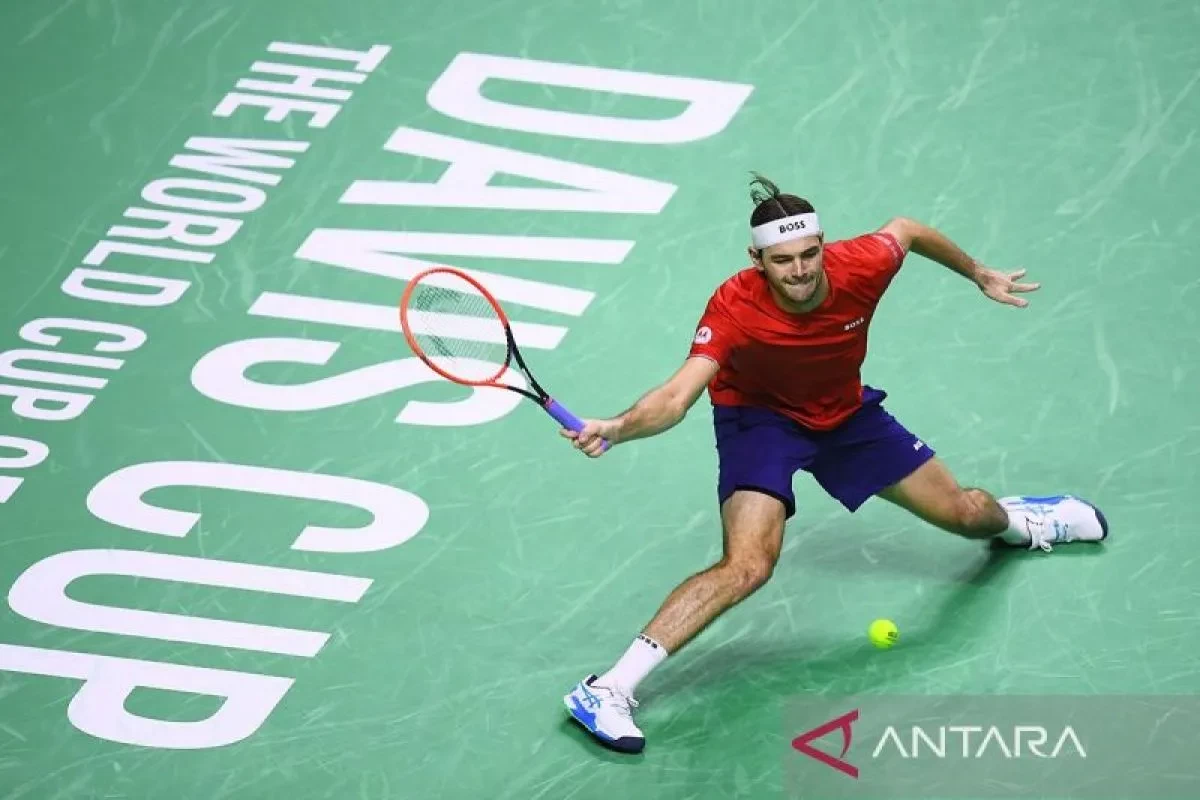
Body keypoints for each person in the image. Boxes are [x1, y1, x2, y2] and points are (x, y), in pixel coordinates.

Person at [559, 174, 1108, 754]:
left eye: (808, 254)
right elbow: (675, 397)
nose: (799, 270)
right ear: (757, 260)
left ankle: (1022, 523)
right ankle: (607, 689)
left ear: (823, 244)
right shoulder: (734, 306)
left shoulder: (863, 264)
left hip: (845, 416)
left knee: (969, 514)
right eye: (782, 260)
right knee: (748, 565)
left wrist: (977, 272)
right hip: (760, 422)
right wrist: (618, 426)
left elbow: (908, 230)